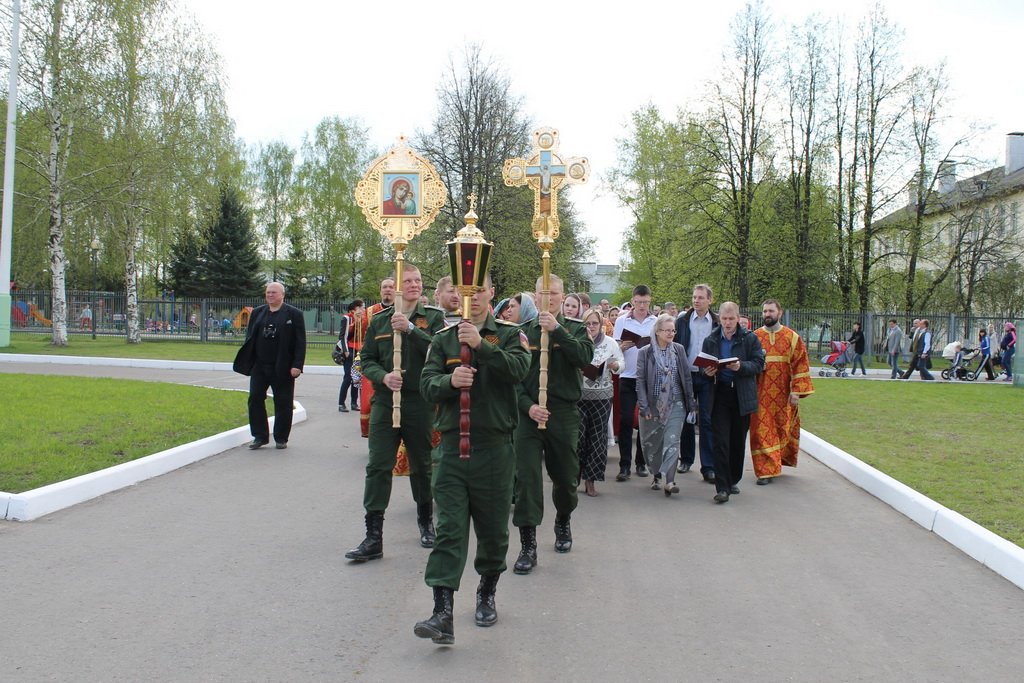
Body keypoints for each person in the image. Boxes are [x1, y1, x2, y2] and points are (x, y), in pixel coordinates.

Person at [413, 273, 531, 645]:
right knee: (449, 529)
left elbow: (519, 371)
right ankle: (442, 613)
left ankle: (486, 592)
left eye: (480, 291)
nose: (473, 297)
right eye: (468, 291)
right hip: (451, 449)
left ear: (491, 293)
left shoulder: (511, 335)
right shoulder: (443, 339)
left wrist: (482, 346)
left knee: (494, 532)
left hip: (495, 450)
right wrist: (451, 382)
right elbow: (426, 384)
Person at [345, 265, 445, 562]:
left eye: (418, 281)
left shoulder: (434, 319)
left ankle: (426, 522)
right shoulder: (379, 321)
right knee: (378, 466)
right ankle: (373, 536)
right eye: (408, 281)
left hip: (418, 402)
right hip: (386, 402)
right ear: (397, 286)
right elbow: (366, 360)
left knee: (421, 464)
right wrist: (383, 376)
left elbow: (439, 352)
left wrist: (411, 330)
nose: (414, 285)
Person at [511, 274, 594, 575]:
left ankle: (563, 518)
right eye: (542, 293)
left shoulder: (575, 328)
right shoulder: (521, 333)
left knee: (565, 477)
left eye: (554, 293)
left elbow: (584, 357)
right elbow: (514, 378)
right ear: (534, 297)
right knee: (527, 479)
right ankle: (528, 544)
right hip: (529, 415)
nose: (548, 298)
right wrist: (528, 407)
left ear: (562, 297)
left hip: (562, 413)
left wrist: (557, 330)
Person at [701, 301, 764, 503]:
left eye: (731, 319)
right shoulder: (711, 339)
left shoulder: (749, 338)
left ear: (738, 318)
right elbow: (704, 365)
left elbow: (758, 364)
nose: (727, 323)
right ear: (719, 318)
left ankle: (733, 478)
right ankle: (722, 488)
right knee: (720, 441)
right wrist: (708, 372)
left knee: (737, 442)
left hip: (741, 395)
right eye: (724, 319)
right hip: (719, 395)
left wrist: (741, 366)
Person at [232, 282, 307, 450]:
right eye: (268, 292)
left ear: (282, 294)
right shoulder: (258, 312)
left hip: (283, 366)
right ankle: (260, 436)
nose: (270, 295)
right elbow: (250, 337)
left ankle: (281, 437)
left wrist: (297, 365)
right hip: (260, 365)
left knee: (283, 402)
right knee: (255, 399)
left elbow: (300, 342)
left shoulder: (294, 314)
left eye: (273, 292)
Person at [750, 300, 814, 485]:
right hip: (760, 395)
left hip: (784, 396)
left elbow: (800, 364)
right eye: (764, 311)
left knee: (780, 430)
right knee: (761, 432)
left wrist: (796, 392)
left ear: (780, 312)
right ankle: (765, 471)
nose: (767, 314)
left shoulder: (792, 337)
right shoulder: (755, 337)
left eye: (771, 311)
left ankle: (775, 464)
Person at [636, 314, 695, 496]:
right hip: (653, 405)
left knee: (672, 441)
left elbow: (686, 376)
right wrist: (644, 406)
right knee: (652, 443)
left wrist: (691, 403)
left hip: (676, 402)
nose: (671, 333)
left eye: (673, 330)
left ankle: (670, 481)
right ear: (657, 331)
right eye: (667, 330)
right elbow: (640, 381)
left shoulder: (679, 350)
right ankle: (656, 475)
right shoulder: (645, 352)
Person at [674, 284, 719, 482]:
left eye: (701, 297)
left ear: (710, 300)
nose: (696, 300)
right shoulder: (682, 320)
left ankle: (708, 466)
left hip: (708, 376)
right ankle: (686, 459)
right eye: (694, 297)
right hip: (687, 375)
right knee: (685, 419)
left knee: (707, 420)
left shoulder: (716, 322)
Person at [613, 284, 657, 481]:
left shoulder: (655, 321)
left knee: (644, 420)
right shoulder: (622, 321)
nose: (642, 306)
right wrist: (622, 346)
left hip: (647, 376)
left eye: (645, 302)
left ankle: (641, 462)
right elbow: (614, 349)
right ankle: (624, 465)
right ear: (632, 302)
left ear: (649, 301)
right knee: (625, 419)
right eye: (638, 302)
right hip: (627, 375)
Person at [578, 307, 623, 497]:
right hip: (579, 396)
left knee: (597, 439)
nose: (591, 327)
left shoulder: (610, 343)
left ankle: (591, 480)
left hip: (602, 397)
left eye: (594, 323)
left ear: (601, 324)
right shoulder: (578, 342)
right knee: (578, 438)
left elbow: (621, 363)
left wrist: (615, 365)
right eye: (587, 324)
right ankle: (574, 477)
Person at [359, 278, 397, 438]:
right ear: (380, 291)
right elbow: (361, 336)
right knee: (368, 402)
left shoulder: (403, 309)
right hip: (376, 363)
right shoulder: (369, 312)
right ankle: (373, 435)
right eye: (384, 287)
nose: (388, 290)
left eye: (391, 287)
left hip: (396, 362)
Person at [337, 299, 364, 412]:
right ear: (354, 309)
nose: (363, 310)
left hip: (359, 349)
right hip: (349, 348)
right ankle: (341, 403)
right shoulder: (347, 318)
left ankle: (354, 402)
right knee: (348, 376)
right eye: (361, 307)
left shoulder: (363, 319)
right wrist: (346, 351)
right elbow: (343, 336)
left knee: (356, 377)